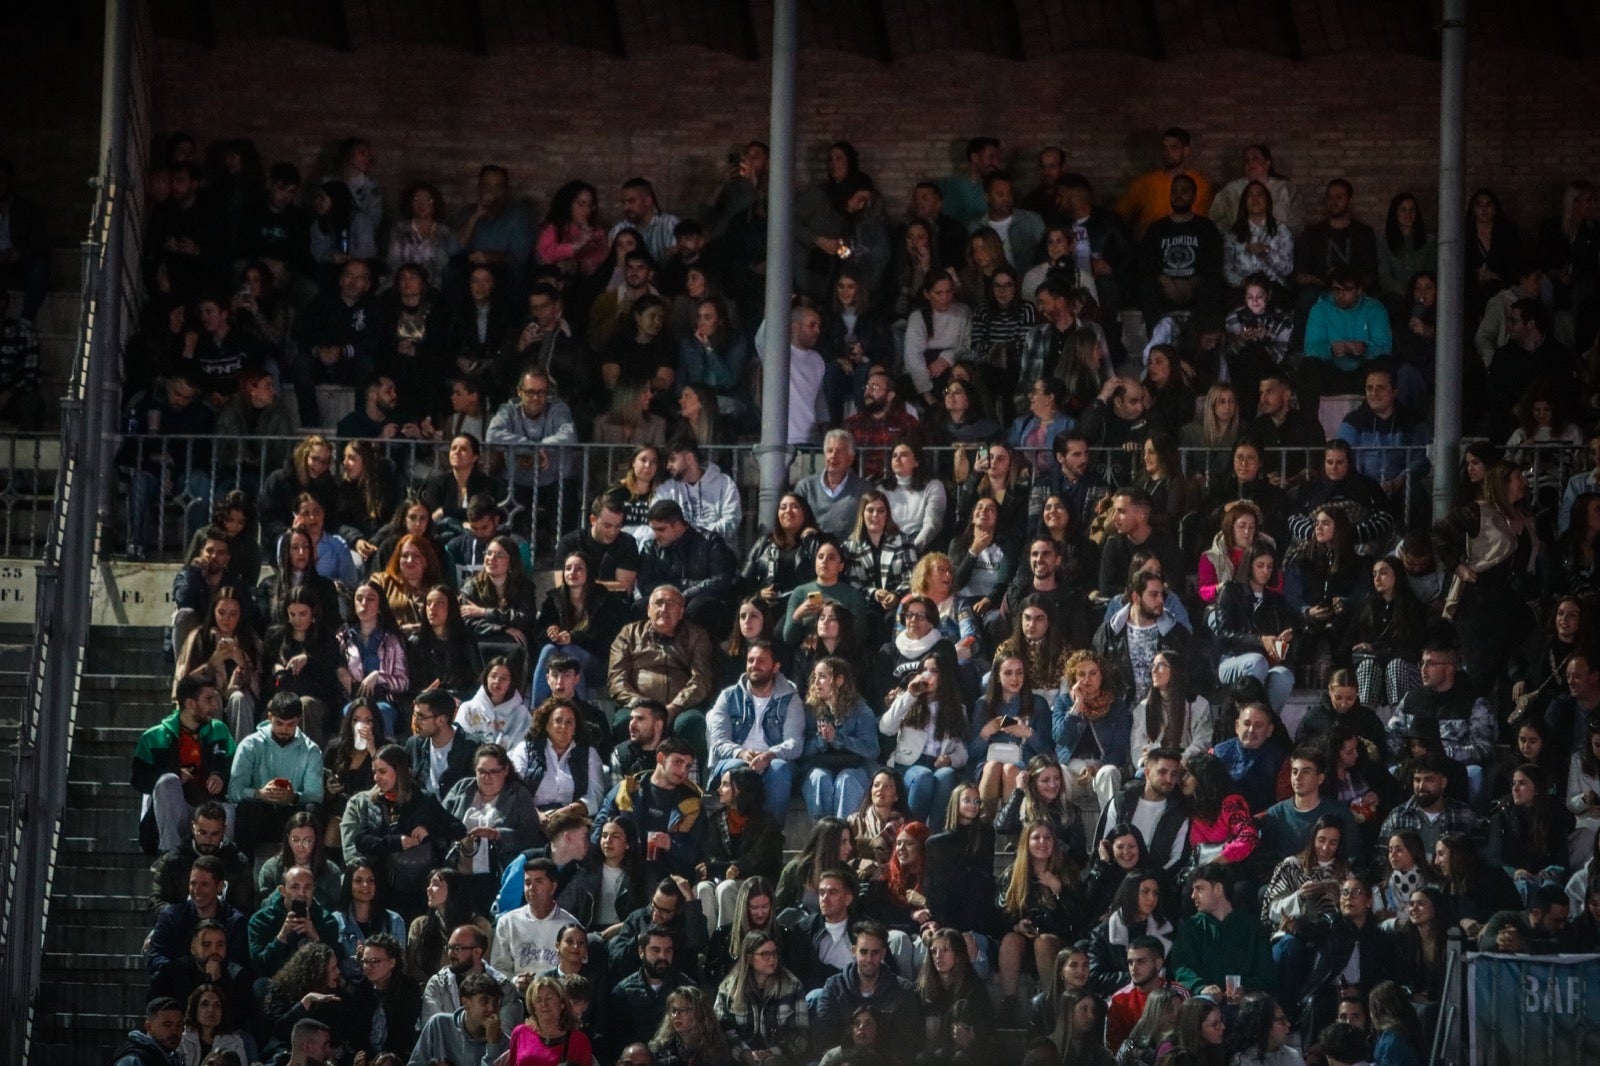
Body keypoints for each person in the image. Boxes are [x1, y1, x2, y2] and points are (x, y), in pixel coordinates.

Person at [1385, 639, 1497, 809]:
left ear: (1449, 668)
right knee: (1390, 771)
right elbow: (1392, 737)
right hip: (1415, 767)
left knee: (1475, 774)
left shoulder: (1473, 703)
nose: (1423, 669)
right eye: (1422, 663)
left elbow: (1484, 748)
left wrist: (1443, 753)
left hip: (1453, 770)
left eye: (1430, 664)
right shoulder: (1411, 699)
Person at [133, 675, 237, 855]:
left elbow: (235, 768)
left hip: (207, 812)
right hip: (175, 814)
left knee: (227, 811)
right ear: (190, 704)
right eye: (209, 699)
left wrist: (220, 777)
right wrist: (175, 773)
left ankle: (218, 865)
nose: (215, 706)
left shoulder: (219, 730)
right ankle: (170, 856)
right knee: (167, 781)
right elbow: (138, 780)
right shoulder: (153, 737)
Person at [706, 641, 805, 823]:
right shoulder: (728, 696)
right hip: (735, 758)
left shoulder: (791, 698)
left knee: (780, 770)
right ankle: (734, 833)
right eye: (750, 660)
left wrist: (770, 755)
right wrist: (741, 753)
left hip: (773, 759)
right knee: (734, 769)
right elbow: (719, 741)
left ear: (775, 667)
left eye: (761, 661)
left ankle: (770, 836)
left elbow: (795, 743)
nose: (754, 665)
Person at [225, 692, 324, 854]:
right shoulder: (249, 745)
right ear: (270, 717)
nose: (284, 730)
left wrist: (294, 796)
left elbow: (316, 794)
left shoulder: (311, 750)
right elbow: (234, 790)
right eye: (279, 723)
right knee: (247, 806)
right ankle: (244, 867)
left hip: (293, 814)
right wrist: (259, 793)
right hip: (261, 812)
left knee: (313, 809)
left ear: (298, 720)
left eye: (290, 724)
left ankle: (312, 868)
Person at [813, 921, 922, 1057]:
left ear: (883, 954)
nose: (869, 959)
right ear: (853, 951)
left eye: (875, 953)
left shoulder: (903, 990)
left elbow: (907, 1043)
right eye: (863, 952)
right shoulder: (834, 987)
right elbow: (824, 1037)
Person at [1213, 545, 1300, 712]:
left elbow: (1286, 631)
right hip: (1231, 659)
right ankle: (1247, 716)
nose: (1265, 571)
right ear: (1249, 566)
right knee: (1256, 662)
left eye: (1269, 566)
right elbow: (1224, 636)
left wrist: (1284, 640)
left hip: (1267, 660)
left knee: (1284, 676)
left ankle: (1268, 722)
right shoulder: (1230, 592)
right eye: (1260, 565)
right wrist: (1260, 641)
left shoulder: (1275, 601)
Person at [1093, 748, 1190, 874]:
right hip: (1116, 879)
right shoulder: (1122, 802)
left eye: (1174, 774)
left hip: (1157, 883)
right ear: (1147, 773)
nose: (1169, 779)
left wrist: (1151, 880)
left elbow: (1177, 859)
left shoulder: (1179, 812)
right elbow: (1103, 845)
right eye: (1162, 772)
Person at [1116, 128, 1213, 237]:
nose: (1168, 153)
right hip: (1152, 247)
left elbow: (1207, 225)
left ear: (1185, 151)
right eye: (1164, 148)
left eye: (1174, 148)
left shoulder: (1201, 185)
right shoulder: (1144, 183)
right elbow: (1118, 217)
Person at [410, 970, 512, 1066]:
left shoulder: (505, 1044)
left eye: (495, 1002)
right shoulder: (439, 1025)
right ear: (465, 1002)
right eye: (484, 1001)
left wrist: (492, 1045)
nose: (491, 1008)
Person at [1229, 993, 1302, 1066]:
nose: (1288, 1024)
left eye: (1285, 1019)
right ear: (1262, 1025)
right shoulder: (1242, 1062)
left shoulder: (1292, 1055)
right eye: (1281, 1021)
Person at [113, 997, 187, 1066]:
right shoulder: (133, 1061)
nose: (174, 1030)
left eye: (179, 1025)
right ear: (149, 1027)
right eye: (167, 1025)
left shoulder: (176, 1059)